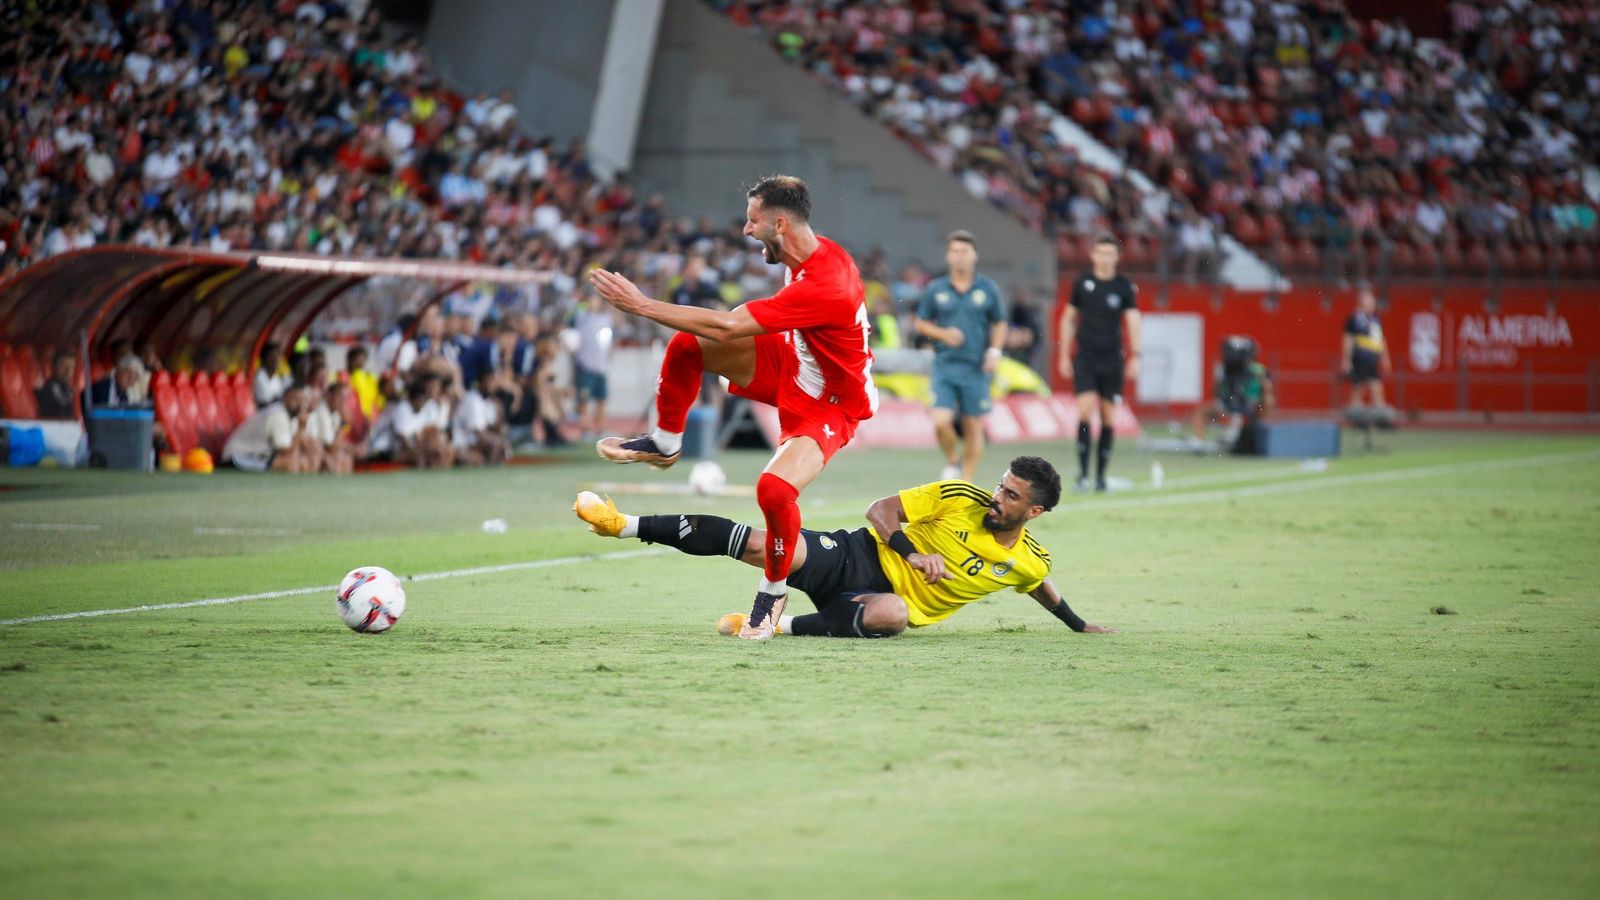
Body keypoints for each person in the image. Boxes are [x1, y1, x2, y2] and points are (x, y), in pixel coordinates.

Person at [588, 175, 878, 641]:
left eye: (752, 220)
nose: (745, 230)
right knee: (688, 345)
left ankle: (774, 589)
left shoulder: (827, 284)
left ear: (779, 223)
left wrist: (641, 305)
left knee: (774, 491)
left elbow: (728, 326)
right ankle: (665, 442)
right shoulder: (804, 251)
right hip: (794, 363)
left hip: (832, 405)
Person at [573, 456, 1114, 638]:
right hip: (855, 555)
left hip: (870, 605)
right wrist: (911, 552)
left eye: (1011, 496)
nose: (996, 497)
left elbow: (1036, 582)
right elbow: (880, 510)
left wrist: (1076, 622)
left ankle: (768, 626)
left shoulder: (1027, 558)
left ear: (1034, 512)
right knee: (764, 545)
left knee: (895, 616)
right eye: (1000, 486)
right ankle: (622, 523)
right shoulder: (960, 496)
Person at [914, 230, 1007, 482]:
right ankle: (953, 460)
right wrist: (943, 334)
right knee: (940, 421)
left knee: (973, 425)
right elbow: (921, 323)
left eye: (964, 251)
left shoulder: (987, 288)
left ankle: (965, 480)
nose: (959, 256)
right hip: (945, 365)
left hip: (976, 367)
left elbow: (999, 323)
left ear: (974, 255)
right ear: (948, 255)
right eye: (954, 251)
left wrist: (995, 351)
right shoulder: (937, 288)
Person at [1059, 235, 1142, 492]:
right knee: (1084, 411)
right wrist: (1064, 354)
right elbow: (1068, 318)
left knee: (1108, 416)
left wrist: (1136, 355)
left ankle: (1101, 476)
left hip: (1112, 360)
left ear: (1117, 257)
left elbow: (1133, 320)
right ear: (1093, 255)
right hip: (1086, 357)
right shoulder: (1083, 283)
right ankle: (1083, 474)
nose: (1105, 258)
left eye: (1110, 254)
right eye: (1101, 253)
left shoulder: (1123, 286)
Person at [1191, 337, 1275, 452]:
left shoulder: (1259, 370)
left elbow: (1267, 390)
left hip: (1251, 407)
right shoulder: (1225, 369)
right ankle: (1198, 442)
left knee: (1268, 400)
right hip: (1229, 405)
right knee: (1202, 412)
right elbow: (1217, 391)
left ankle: (1257, 432)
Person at [223, 383, 316, 472]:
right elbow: (287, 452)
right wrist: (301, 429)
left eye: (303, 400)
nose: (300, 404)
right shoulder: (278, 414)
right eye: (296, 399)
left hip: (258, 455)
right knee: (291, 464)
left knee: (302, 462)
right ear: (285, 397)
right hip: (238, 456)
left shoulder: (292, 416)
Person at [569, 287, 617, 441]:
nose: (592, 303)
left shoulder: (606, 319)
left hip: (601, 367)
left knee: (601, 399)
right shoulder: (580, 317)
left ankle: (599, 429)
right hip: (585, 365)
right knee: (584, 400)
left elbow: (611, 341)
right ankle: (585, 429)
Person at [1341, 288, 1391, 409]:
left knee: (1376, 389)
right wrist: (1346, 360)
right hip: (1359, 359)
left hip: (1372, 361)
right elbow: (1347, 340)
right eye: (1368, 304)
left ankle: (1378, 419)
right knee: (1358, 389)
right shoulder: (1354, 319)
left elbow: (1381, 340)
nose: (1371, 307)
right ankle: (1356, 418)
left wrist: (1385, 357)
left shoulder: (1376, 320)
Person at [35, 350, 78, 419]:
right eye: (63, 365)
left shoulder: (68, 388)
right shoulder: (49, 389)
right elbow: (59, 411)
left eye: (72, 366)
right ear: (53, 366)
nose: (68, 371)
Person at [253, 341, 289, 406]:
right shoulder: (259, 376)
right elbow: (264, 403)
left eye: (277, 356)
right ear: (263, 358)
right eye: (272, 356)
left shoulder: (275, 378)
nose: (275, 360)